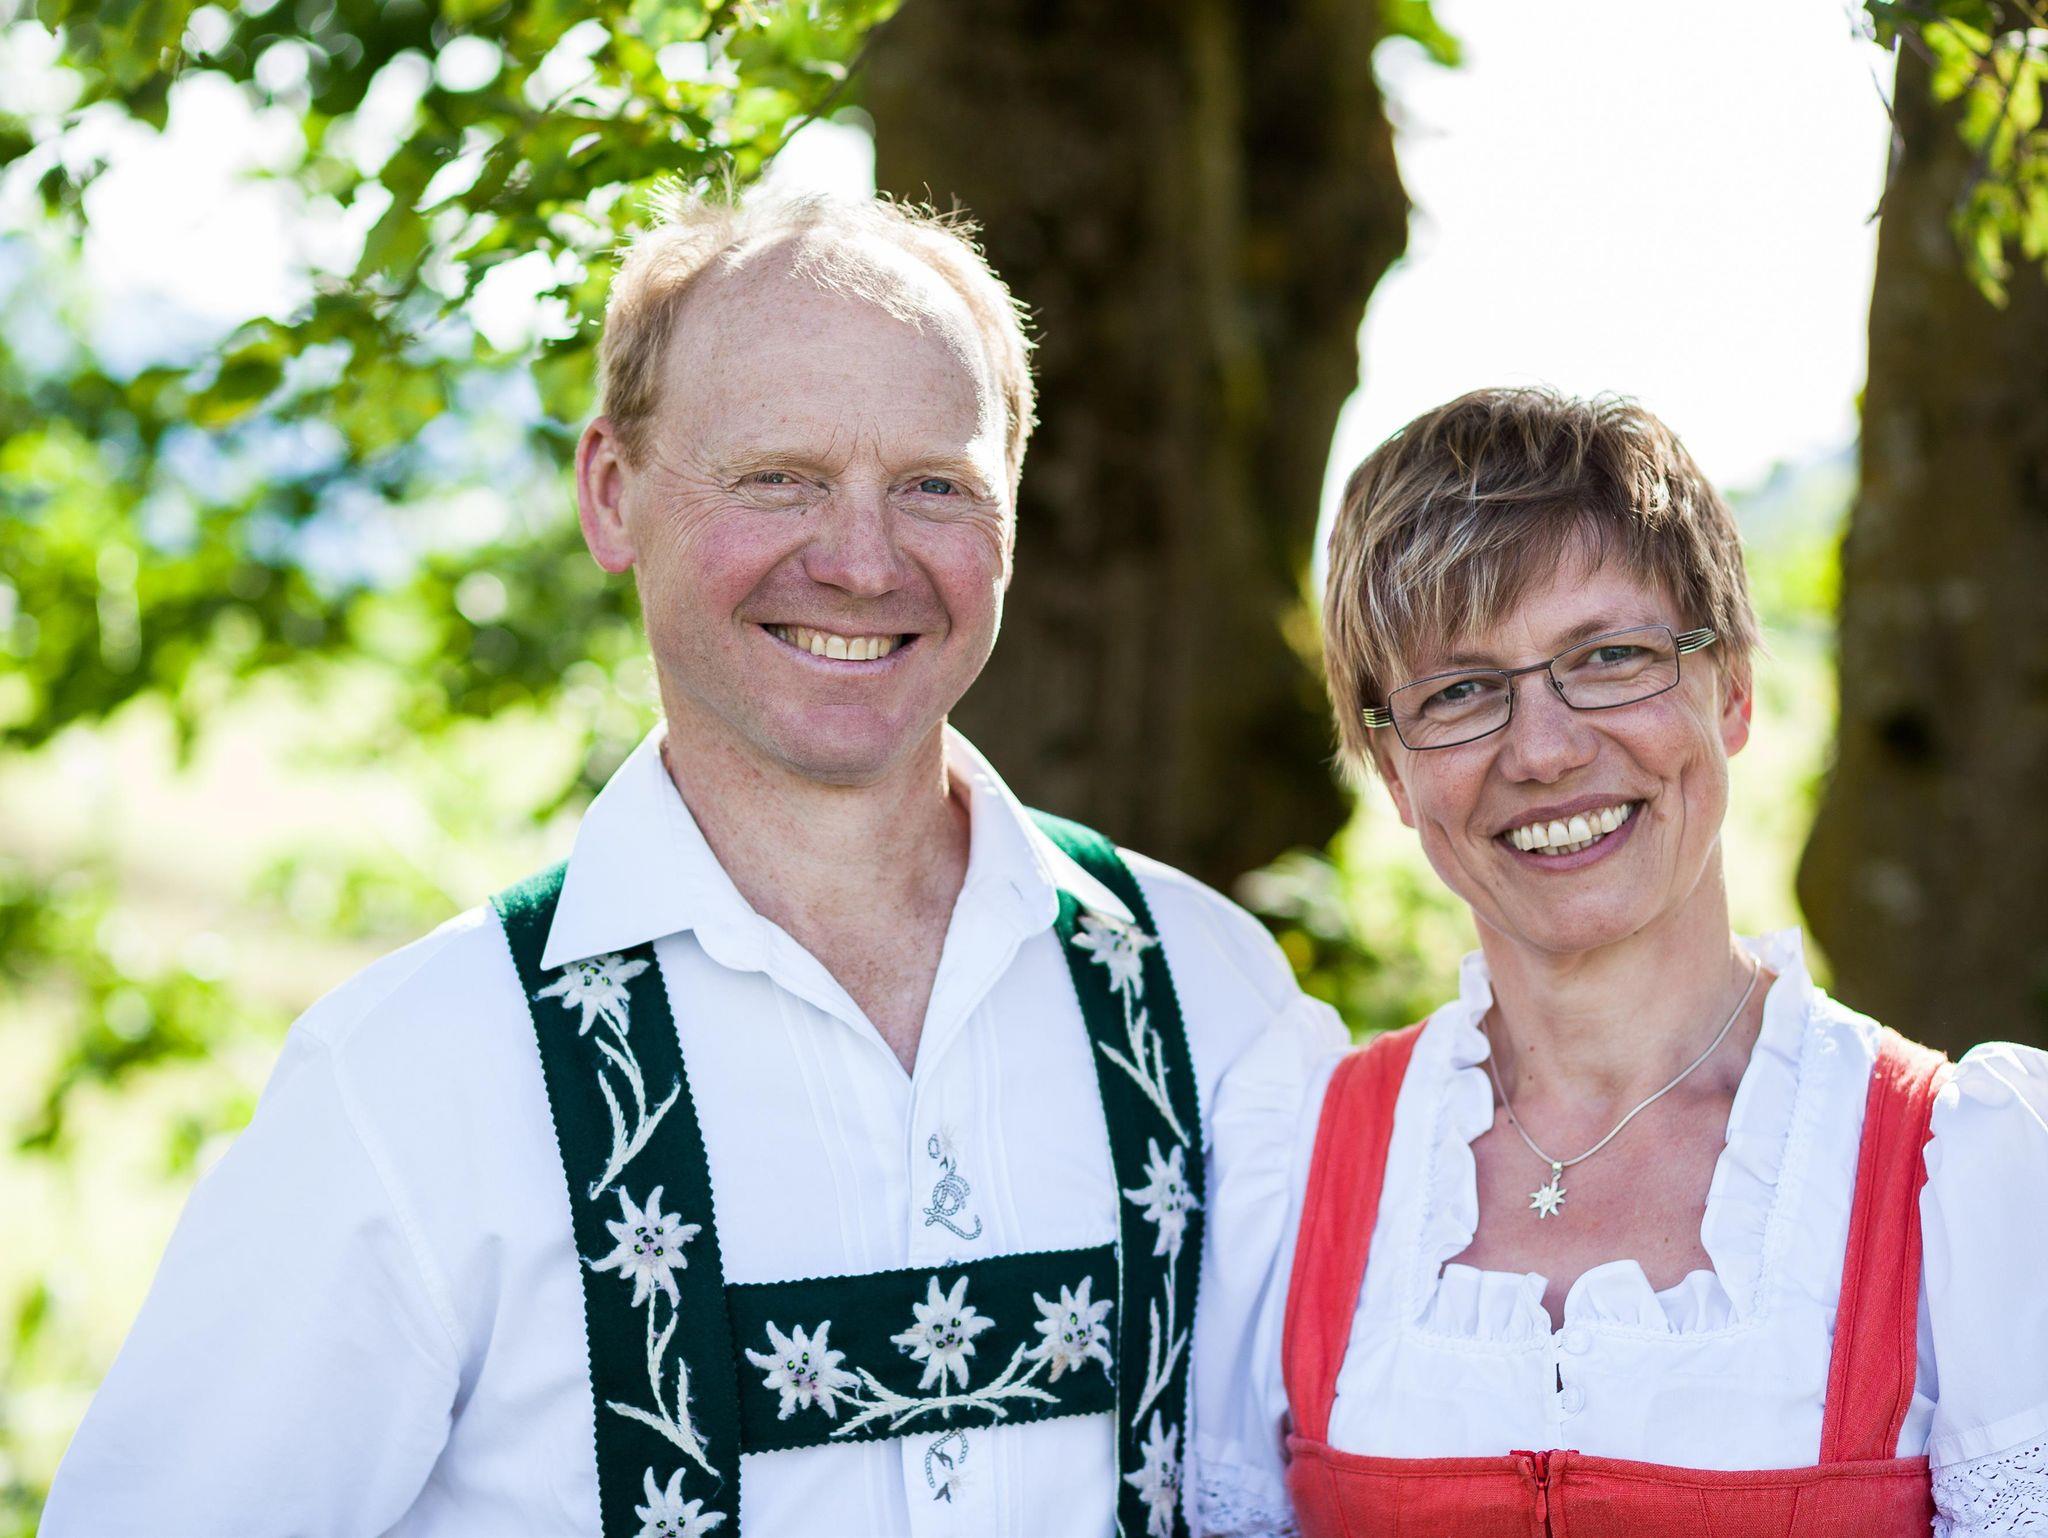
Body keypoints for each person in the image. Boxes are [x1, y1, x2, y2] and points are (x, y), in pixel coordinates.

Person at [41, 191, 1320, 1538]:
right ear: (612, 495)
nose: (862, 560)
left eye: (934, 485)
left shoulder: (1211, 1000)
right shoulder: (419, 1072)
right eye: (779, 477)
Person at [1192, 388, 2048, 1536]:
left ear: (1729, 688)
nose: (1542, 749)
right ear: (1390, 768)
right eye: (1459, 690)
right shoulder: (1295, 1162)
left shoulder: (1964, 1174)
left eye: (1607, 656)